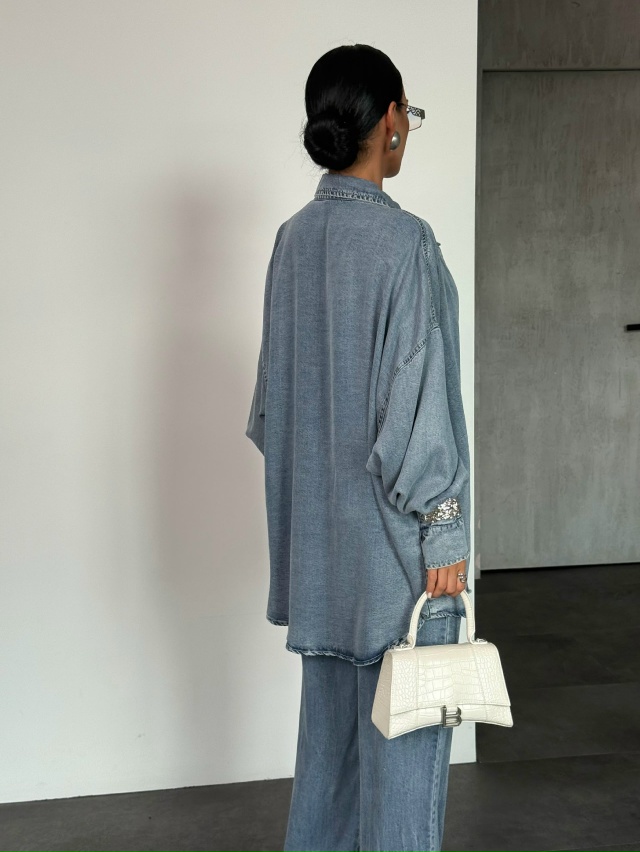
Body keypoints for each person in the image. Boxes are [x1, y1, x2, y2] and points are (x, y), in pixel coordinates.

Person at [245, 43, 472, 852]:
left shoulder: (291, 240)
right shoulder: (405, 243)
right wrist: (444, 531)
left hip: (318, 555)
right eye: (408, 112)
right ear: (389, 121)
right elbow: (418, 408)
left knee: (328, 774)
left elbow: (271, 411)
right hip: (400, 559)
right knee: (404, 781)